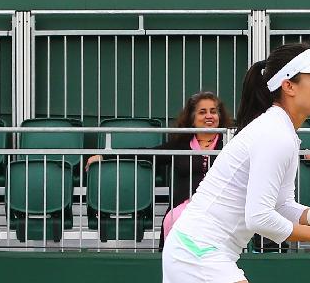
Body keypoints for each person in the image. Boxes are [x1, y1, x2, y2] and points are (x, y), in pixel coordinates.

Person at [162, 43, 310, 283]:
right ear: (289, 86)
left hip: (200, 252)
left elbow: (281, 205)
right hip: (198, 252)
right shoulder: (274, 134)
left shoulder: (282, 132)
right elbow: (259, 218)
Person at [85, 91, 231, 250]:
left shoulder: (230, 143)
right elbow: (147, 153)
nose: (209, 116)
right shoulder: (180, 144)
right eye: (202, 112)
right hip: (183, 212)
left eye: (213, 111)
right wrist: (107, 156)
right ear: (192, 118)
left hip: (218, 210)